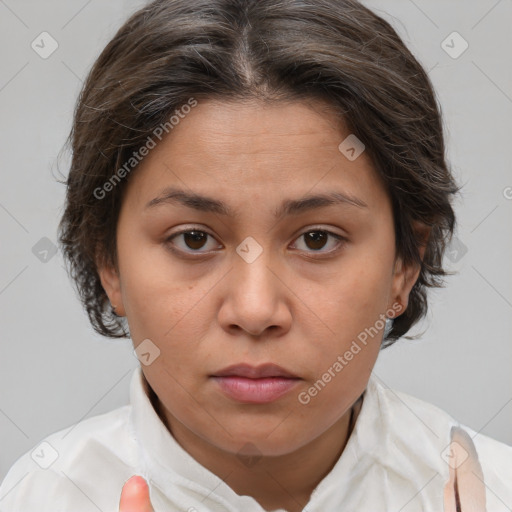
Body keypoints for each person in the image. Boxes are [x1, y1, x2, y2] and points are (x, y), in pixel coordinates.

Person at [1, 0, 511, 511]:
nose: (254, 310)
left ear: (404, 264)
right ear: (108, 263)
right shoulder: (38, 497)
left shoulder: (496, 491)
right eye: (194, 239)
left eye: (317, 239)